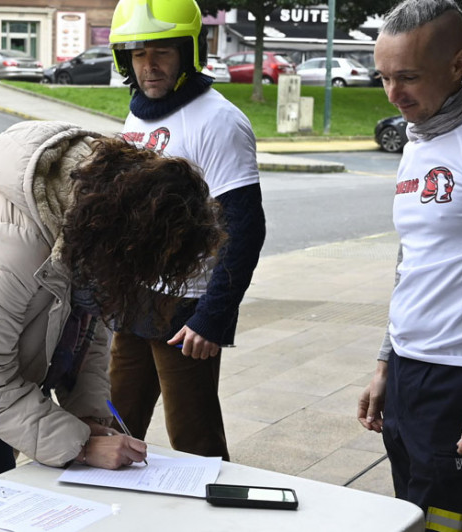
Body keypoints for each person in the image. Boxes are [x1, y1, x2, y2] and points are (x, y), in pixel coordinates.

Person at [0, 120, 227, 501]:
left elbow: (88, 338)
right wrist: (80, 445)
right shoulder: (11, 235)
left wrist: (90, 421)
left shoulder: (89, 216)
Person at [106, 0, 266, 460]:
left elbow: (244, 227)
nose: (149, 66)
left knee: (193, 438)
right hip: (136, 296)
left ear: (187, 52)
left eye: (162, 52)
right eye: (138, 55)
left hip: (187, 304)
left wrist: (212, 317)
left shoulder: (218, 120)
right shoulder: (139, 114)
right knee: (115, 419)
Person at [356, 0, 462, 527]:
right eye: (383, 77)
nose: (393, 94)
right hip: (410, 372)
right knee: (411, 516)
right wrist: (387, 363)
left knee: (455, 522)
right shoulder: (418, 141)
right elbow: (412, 259)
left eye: (407, 76)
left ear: (459, 63)